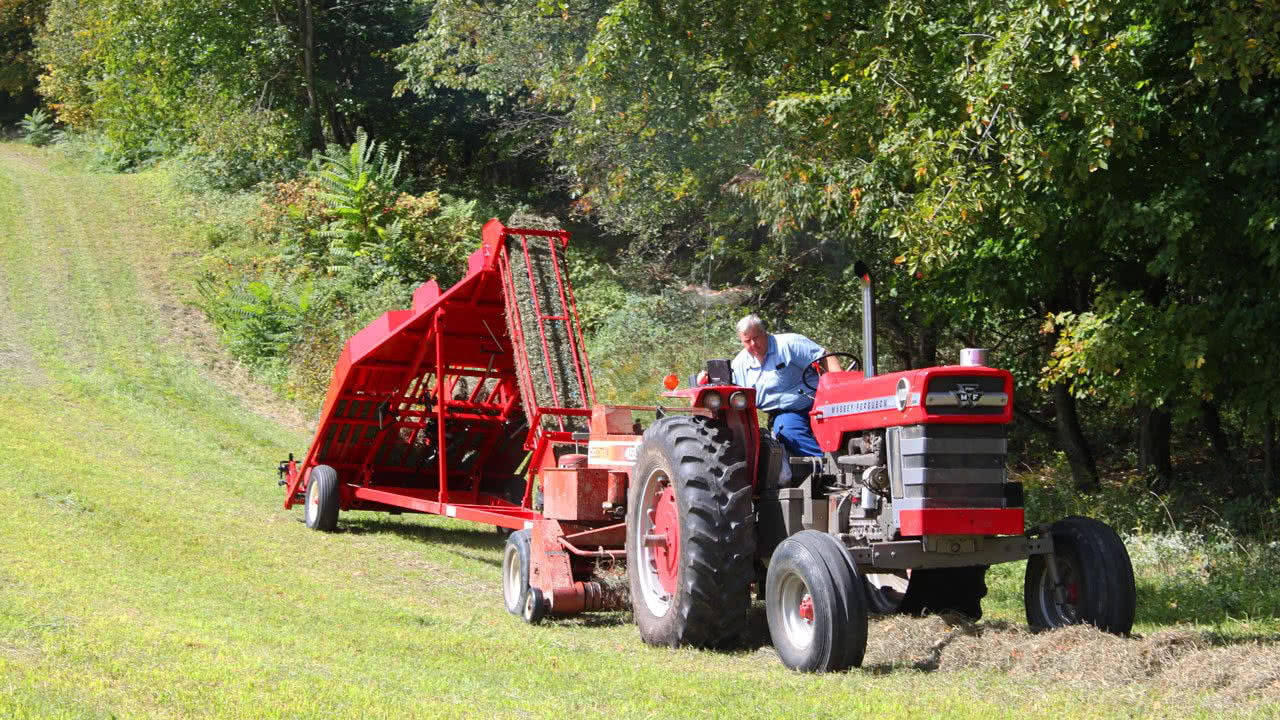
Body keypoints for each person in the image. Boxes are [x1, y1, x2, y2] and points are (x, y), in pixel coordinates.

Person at [728, 314, 839, 459]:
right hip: (786, 413)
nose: (753, 344)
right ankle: (823, 465)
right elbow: (728, 387)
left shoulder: (789, 344)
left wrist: (839, 389)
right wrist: (706, 379)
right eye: (747, 341)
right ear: (742, 341)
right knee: (787, 429)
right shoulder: (739, 364)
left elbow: (825, 357)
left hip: (816, 403)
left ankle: (835, 466)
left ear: (764, 332)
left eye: (756, 338)